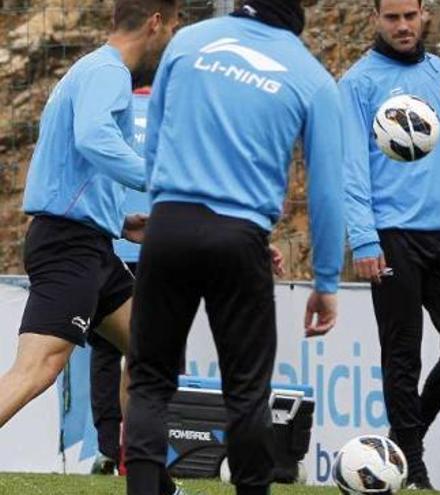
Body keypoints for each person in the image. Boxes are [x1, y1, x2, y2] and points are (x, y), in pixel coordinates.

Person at [123, 1, 345, 494]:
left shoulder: (190, 41)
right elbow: (329, 191)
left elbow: (156, 142)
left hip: (170, 227)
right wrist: (325, 281)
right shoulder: (311, 78)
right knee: (246, 392)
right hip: (240, 238)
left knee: (150, 382)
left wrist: (164, 208)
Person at [0, 0, 179, 430]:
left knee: (151, 350)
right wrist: (160, 181)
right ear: (156, 23)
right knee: (37, 369)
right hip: (69, 246)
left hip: (92, 244)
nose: (174, 38)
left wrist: (117, 221)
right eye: (175, 26)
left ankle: (145, 478)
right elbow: (93, 137)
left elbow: (70, 170)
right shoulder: (108, 72)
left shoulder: (93, 69)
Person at [340, 0, 440, 489]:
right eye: (392, 17)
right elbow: (351, 171)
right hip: (391, 237)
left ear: (423, 14)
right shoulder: (358, 84)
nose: (402, 26)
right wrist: (363, 238)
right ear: (375, 19)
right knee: (402, 352)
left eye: (410, 15)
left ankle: (404, 439)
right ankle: (414, 469)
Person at [88, 85, 153, 476]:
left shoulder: (110, 112)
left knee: (106, 351)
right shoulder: (173, 110)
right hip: (155, 244)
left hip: (113, 241)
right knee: (149, 351)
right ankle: (137, 449)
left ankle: (109, 446)